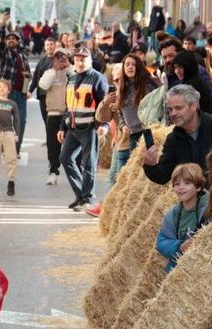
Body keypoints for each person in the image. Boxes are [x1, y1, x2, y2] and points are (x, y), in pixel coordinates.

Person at [141, 84, 212, 185]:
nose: (173, 113)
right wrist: (150, 165)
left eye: (178, 108)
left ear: (194, 106)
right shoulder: (173, 140)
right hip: (196, 198)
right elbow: (163, 176)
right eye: (170, 109)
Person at [58, 47, 109, 212]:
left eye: (83, 59)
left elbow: (105, 106)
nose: (80, 62)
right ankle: (81, 195)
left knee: (89, 164)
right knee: (65, 158)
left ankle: (89, 198)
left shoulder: (98, 79)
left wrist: (104, 125)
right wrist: (62, 127)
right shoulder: (71, 79)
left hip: (89, 128)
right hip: (72, 127)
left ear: (90, 61)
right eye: (77, 59)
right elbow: (68, 106)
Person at [97, 53, 158, 185]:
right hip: (132, 135)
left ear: (139, 67)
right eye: (127, 64)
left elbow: (157, 107)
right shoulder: (122, 88)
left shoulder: (147, 85)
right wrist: (122, 125)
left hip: (147, 133)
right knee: (133, 173)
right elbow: (120, 113)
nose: (130, 67)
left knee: (147, 171)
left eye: (133, 64)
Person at [155, 163, 208, 272]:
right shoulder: (172, 215)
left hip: (205, 268)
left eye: (187, 183)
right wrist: (179, 246)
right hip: (181, 271)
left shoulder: (210, 208)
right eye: (177, 184)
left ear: (198, 187)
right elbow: (161, 242)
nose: (181, 187)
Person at [38, 50, 70, 184]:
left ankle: (74, 172)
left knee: (71, 147)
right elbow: (43, 85)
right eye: (58, 59)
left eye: (63, 59)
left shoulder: (70, 72)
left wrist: (68, 65)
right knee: (53, 146)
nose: (61, 62)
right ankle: (53, 171)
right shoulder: (49, 73)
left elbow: (76, 76)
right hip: (53, 114)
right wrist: (54, 69)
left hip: (69, 114)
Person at [0, 33, 28, 148]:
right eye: (8, 39)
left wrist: (27, 77)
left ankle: (17, 148)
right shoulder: (5, 53)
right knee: (5, 120)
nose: (10, 40)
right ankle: (4, 147)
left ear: (17, 41)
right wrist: (3, 25)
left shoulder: (23, 55)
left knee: (22, 121)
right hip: (6, 93)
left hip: (21, 94)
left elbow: (28, 73)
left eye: (13, 39)